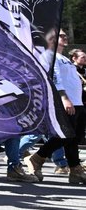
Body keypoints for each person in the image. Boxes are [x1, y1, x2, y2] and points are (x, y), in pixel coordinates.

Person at [25, 30, 86, 184]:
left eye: (66, 35)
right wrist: (64, 98)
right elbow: (55, 78)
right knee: (66, 135)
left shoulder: (64, 58)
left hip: (77, 102)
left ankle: (75, 169)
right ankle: (37, 157)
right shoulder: (49, 55)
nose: (65, 37)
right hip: (65, 102)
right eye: (61, 35)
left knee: (73, 138)